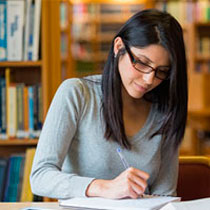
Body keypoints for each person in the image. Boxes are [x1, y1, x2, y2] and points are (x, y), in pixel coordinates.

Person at [30, 9, 188, 200]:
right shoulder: (77, 94)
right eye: (142, 63)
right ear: (118, 46)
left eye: (162, 71)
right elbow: (40, 177)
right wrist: (103, 188)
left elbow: (165, 196)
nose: (149, 79)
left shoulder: (165, 112)